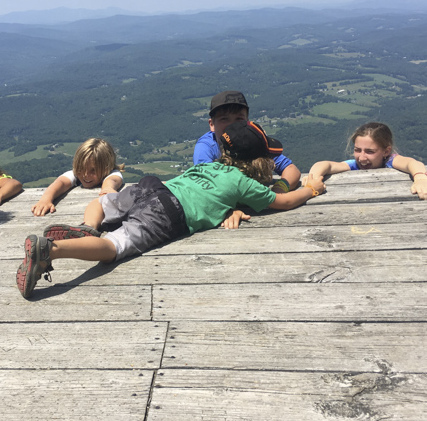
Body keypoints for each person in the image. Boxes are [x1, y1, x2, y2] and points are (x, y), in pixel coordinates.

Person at [18, 120, 325, 299]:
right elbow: (283, 201)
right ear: (260, 162)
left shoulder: (209, 166)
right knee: (114, 246)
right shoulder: (244, 183)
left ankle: (88, 227)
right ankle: (52, 250)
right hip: (168, 213)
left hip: (152, 187)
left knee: (100, 202)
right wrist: (311, 189)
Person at [193, 90, 301, 190]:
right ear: (212, 124)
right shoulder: (206, 147)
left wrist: (280, 189)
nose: (232, 124)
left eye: (239, 119)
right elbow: (206, 183)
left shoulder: (252, 141)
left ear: (247, 122)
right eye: (224, 119)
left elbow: (291, 169)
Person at [306, 121, 427, 200]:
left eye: (370, 152)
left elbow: (412, 163)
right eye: (357, 150)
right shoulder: (354, 165)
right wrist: (314, 178)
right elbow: (325, 165)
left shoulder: (390, 161)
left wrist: (421, 179)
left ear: (386, 151)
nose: (362, 157)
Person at [31, 138, 124, 217]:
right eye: (81, 168)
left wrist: (108, 188)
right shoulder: (75, 173)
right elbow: (61, 182)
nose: (85, 175)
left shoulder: (112, 173)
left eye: (93, 170)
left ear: (107, 167)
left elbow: (112, 180)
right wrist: (46, 199)